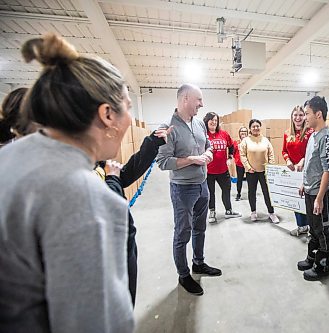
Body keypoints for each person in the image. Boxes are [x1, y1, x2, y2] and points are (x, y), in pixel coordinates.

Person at [0, 33, 134, 333]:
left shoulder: (11, 156)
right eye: (128, 106)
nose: (130, 118)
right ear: (108, 114)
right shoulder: (84, 198)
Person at [156, 83, 221, 296]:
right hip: (183, 189)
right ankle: (183, 275)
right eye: (198, 100)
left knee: (200, 228)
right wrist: (191, 159)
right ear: (185, 99)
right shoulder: (168, 127)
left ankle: (198, 263)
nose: (202, 104)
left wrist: (209, 154)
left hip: (202, 186)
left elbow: (208, 146)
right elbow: (163, 162)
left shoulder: (199, 124)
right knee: (182, 232)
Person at [104, 126, 171, 305]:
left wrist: (152, 143)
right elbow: (110, 206)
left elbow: (125, 175)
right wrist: (112, 179)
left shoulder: (94, 159)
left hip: (123, 245)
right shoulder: (74, 168)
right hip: (110, 253)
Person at [297, 96, 329, 281]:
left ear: (318, 114)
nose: (305, 117)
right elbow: (312, 164)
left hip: (321, 194)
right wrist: (304, 183)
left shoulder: (327, 138)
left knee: (323, 229)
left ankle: (322, 266)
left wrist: (320, 198)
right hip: (311, 190)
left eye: (307, 114)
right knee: (314, 228)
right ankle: (312, 258)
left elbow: (328, 170)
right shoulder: (313, 135)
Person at [203, 112, 241, 223]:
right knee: (211, 193)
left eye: (216, 120)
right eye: (211, 120)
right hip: (208, 171)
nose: (214, 122)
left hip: (223, 170)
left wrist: (230, 157)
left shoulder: (223, 134)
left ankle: (228, 211)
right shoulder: (203, 134)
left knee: (226, 190)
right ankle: (212, 212)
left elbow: (231, 145)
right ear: (207, 121)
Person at [282, 105, 314, 236]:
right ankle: (301, 227)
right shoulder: (287, 133)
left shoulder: (310, 132)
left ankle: (312, 230)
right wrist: (288, 160)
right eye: (295, 115)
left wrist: (303, 160)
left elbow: (313, 152)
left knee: (309, 200)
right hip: (294, 172)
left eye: (301, 115)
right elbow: (284, 151)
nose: (298, 117)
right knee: (296, 198)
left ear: (305, 117)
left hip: (309, 170)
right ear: (292, 117)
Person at [240, 118, 279, 223]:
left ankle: (271, 213)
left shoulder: (265, 140)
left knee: (267, 193)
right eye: (253, 126)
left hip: (264, 171)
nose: (256, 128)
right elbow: (242, 155)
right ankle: (253, 212)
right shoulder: (245, 141)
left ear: (260, 127)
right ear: (250, 128)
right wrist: (248, 167)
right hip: (251, 171)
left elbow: (271, 153)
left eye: (257, 126)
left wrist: (270, 166)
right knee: (251, 192)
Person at [233, 126, 248, 201]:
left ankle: (252, 194)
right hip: (239, 164)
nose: (243, 133)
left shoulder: (250, 142)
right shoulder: (236, 142)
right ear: (239, 133)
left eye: (245, 131)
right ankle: (238, 193)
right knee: (239, 179)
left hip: (249, 164)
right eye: (241, 131)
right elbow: (233, 152)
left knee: (251, 180)